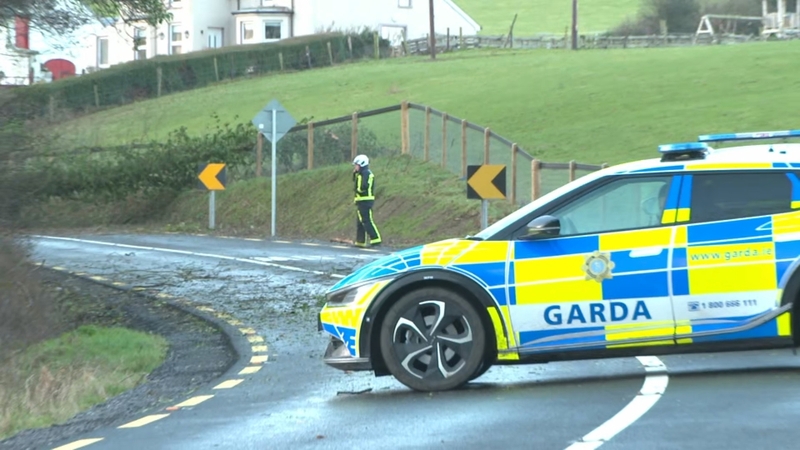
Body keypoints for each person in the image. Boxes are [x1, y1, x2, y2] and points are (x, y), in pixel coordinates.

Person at [352, 154, 382, 247]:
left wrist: (357, 190)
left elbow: (362, 187)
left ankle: (375, 239)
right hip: (362, 201)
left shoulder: (365, 174)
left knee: (366, 220)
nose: (355, 167)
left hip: (365, 201)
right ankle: (360, 241)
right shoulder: (363, 174)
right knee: (360, 222)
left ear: (361, 164)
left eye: (356, 165)